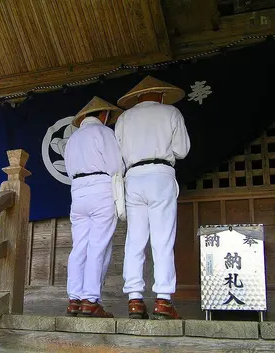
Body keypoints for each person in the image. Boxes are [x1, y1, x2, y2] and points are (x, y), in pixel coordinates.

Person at [115, 76, 191, 320]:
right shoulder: (171, 112)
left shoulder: (124, 118)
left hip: (133, 177)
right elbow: (182, 150)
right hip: (160, 175)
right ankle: (163, 300)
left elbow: (118, 156)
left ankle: (134, 299)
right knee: (162, 240)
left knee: (135, 241)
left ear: (138, 97)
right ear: (160, 95)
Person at [64, 96, 124, 318]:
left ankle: (74, 299)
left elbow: (69, 170)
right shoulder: (104, 133)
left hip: (77, 192)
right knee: (99, 245)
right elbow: (116, 166)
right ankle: (91, 300)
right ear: (103, 114)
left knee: (79, 246)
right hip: (101, 189)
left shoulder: (73, 139)